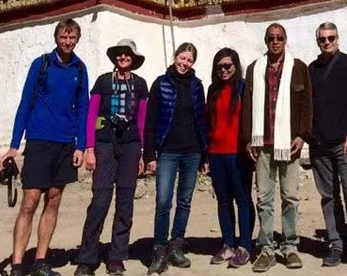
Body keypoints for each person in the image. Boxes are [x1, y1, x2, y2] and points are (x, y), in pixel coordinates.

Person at [2, 19, 89, 276]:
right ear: (56, 38)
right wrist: (14, 144)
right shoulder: (42, 64)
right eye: (64, 37)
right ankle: (18, 264)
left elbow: (83, 108)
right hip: (39, 140)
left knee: (53, 200)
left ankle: (41, 261)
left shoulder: (80, 69)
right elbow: (25, 103)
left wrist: (81, 146)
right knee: (30, 201)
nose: (68, 42)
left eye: (72, 38)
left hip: (65, 143)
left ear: (77, 40)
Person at [241, 23, 312, 273]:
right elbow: (248, 105)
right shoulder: (255, 69)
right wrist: (248, 138)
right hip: (263, 146)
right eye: (271, 38)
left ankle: (290, 246)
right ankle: (266, 249)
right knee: (263, 199)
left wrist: (302, 135)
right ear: (265, 40)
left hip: (288, 144)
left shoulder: (298, 68)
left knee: (290, 197)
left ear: (285, 40)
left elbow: (306, 104)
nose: (275, 41)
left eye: (279, 37)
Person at [74, 39, 149, 276]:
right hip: (104, 144)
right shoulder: (104, 81)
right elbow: (91, 113)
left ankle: (117, 256)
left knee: (125, 202)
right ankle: (87, 257)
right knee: (100, 202)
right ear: (115, 57)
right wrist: (89, 148)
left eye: (128, 55)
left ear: (133, 60)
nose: (124, 58)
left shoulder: (140, 84)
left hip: (130, 146)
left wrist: (142, 153)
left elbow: (143, 120)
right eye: (120, 54)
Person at [307, 22, 347, 270]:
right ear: (317, 42)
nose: (327, 42)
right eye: (322, 39)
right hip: (319, 144)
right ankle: (335, 243)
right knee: (328, 197)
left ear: (337, 38)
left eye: (331, 38)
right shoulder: (311, 69)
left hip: (346, 143)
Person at [144, 43, 209, 275]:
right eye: (182, 58)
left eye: (189, 60)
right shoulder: (161, 83)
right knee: (163, 201)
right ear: (175, 57)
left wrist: (205, 154)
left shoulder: (196, 85)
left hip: (192, 152)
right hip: (168, 152)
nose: (185, 63)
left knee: (185, 201)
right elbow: (150, 121)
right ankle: (159, 248)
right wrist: (149, 154)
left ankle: (176, 245)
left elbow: (202, 120)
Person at [206, 48, 255, 269]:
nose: (224, 70)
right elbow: (209, 122)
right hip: (216, 153)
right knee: (223, 201)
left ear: (236, 66)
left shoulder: (244, 88)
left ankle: (244, 245)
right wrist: (206, 154)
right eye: (220, 66)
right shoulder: (212, 90)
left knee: (243, 199)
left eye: (228, 66)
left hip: (238, 153)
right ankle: (228, 244)